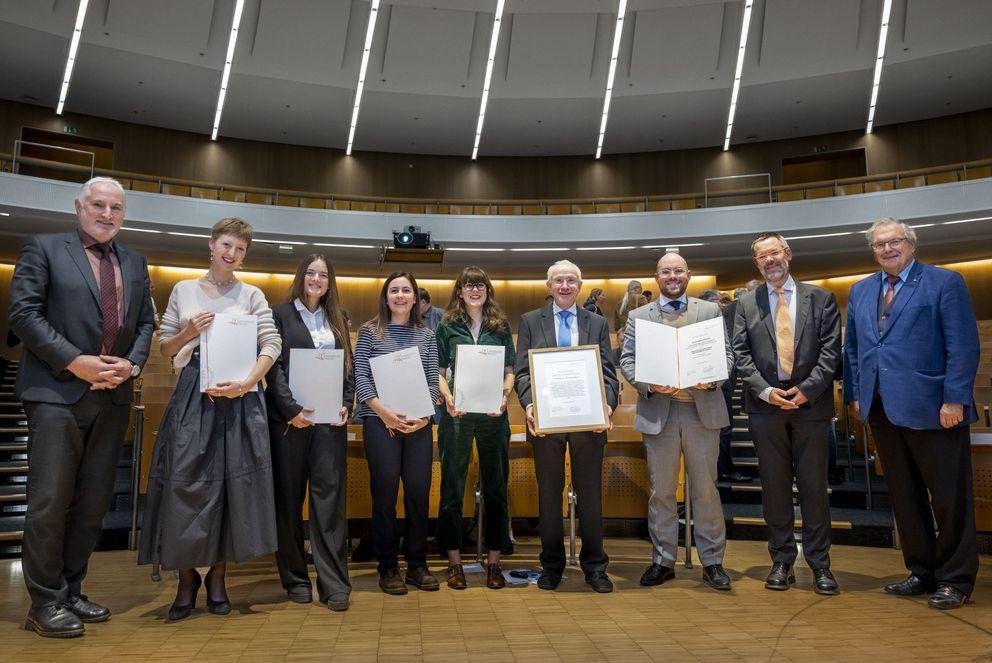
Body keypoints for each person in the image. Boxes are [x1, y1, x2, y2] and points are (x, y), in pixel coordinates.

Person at [10, 177, 154, 638]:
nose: (107, 214)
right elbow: (24, 314)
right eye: (98, 205)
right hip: (55, 394)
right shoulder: (44, 248)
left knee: (91, 504)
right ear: (79, 207)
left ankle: (71, 589)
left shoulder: (134, 261)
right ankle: (43, 603)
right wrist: (76, 362)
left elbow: (147, 323)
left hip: (111, 398)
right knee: (50, 502)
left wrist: (131, 367)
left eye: (116, 207)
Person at [139, 218, 281, 621]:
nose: (231, 254)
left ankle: (218, 578)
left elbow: (272, 343)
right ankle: (187, 580)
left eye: (239, 249)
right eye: (226, 245)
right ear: (211, 244)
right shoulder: (184, 290)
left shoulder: (252, 294)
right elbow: (165, 348)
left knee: (234, 489)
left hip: (241, 398)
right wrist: (187, 332)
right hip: (193, 397)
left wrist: (248, 383)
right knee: (187, 487)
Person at [844, 217, 980, 610]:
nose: (888, 249)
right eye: (880, 245)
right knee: (904, 497)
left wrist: (955, 399)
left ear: (912, 244)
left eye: (895, 242)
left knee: (949, 498)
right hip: (882, 408)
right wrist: (856, 395)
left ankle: (956, 579)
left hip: (935, 410)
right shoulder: (861, 290)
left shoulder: (945, 283)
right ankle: (922, 571)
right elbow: (853, 348)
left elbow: (963, 346)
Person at [732, 232, 841, 595]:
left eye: (775, 253)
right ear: (757, 263)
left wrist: (806, 389)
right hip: (766, 407)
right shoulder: (746, 303)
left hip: (811, 406)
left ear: (788, 254)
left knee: (813, 488)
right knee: (774, 488)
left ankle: (820, 565)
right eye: (762, 256)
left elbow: (830, 352)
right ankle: (781, 561)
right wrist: (766, 391)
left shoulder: (821, 298)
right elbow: (740, 354)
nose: (770, 260)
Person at [620, 256, 734, 592]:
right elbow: (627, 360)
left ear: (689, 275)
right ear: (656, 277)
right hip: (660, 415)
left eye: (679, 271)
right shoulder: (639, 316)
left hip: (702, 414)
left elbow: (726, 356)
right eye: (666, 271)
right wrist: (649, 385)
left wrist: (711, 379)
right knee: (662, 492)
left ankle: (712, 562)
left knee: (705, 491)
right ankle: (663, 560)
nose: (673, 276)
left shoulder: (710, 311)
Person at [514, 260, 618, 593]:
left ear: (579, 285)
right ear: (549, 285)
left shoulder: (598, 323)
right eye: (558, 280)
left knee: (590, 495)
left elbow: (608, 374)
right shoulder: (530, 321)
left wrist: (608, 405)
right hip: (545, 422)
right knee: (548, 495)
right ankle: (552, 566)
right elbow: (522, 373)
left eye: (571, 280)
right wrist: (530, 406)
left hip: (588, 422)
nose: (564, 286)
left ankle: (595, 567)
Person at [265, 255, 354, 611]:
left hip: (329, 426)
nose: (316, 279)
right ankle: (295, 578)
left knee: (329, 504)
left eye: (323, 275)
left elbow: (346, 367)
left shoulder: (338, 319)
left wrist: (347, 403)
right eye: (311, 273)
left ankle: (334, 584)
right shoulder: (279, 314)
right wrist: (291, 411)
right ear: (301, 278)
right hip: (290, 425)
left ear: (330, 282)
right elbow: (274, 368)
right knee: (288, 502)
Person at [354, 272, 440, 595]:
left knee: (418, 494)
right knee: (385, 496)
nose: (400, 295)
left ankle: (417, 565)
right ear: (386, 296)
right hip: (380, 425)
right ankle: (388, 567)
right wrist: (384, 413)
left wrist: (422, 415)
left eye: (406, 290)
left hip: (419, 425)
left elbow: (433, 383)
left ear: (415, 297)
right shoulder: (369, 332)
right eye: (394, 290)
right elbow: (361, 377)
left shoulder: (427, 335)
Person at [434, 266, 516, 590]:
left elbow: (510, 369)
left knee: (497, 488)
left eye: (480, 284)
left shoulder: (500, 325)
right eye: (468, 285)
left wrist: (506, 395)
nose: (474, 289)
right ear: (460, 290)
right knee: (452, 488)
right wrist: (447, 396)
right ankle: (454, 563)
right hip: (457, 413)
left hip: (494, 415)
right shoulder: (447, 325)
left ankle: (495, 562)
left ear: (487, 289)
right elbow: (439, 371)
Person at [699, 289, 748, 483]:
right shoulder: (702, 324)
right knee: (723, 427)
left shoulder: (722, 319)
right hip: (710, 380)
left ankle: (723, 467)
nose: (722, 304)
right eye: (717, 301)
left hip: (724, 379)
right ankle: (723, 469)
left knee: (726, 426)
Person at [614, 280, 647, 348]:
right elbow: (647, 317)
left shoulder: (618, 304)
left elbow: (616, 326)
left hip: (624, 337)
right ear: (636, 289)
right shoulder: (641, 298)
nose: (641, 291)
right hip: (638, 336)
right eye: (641, 289)